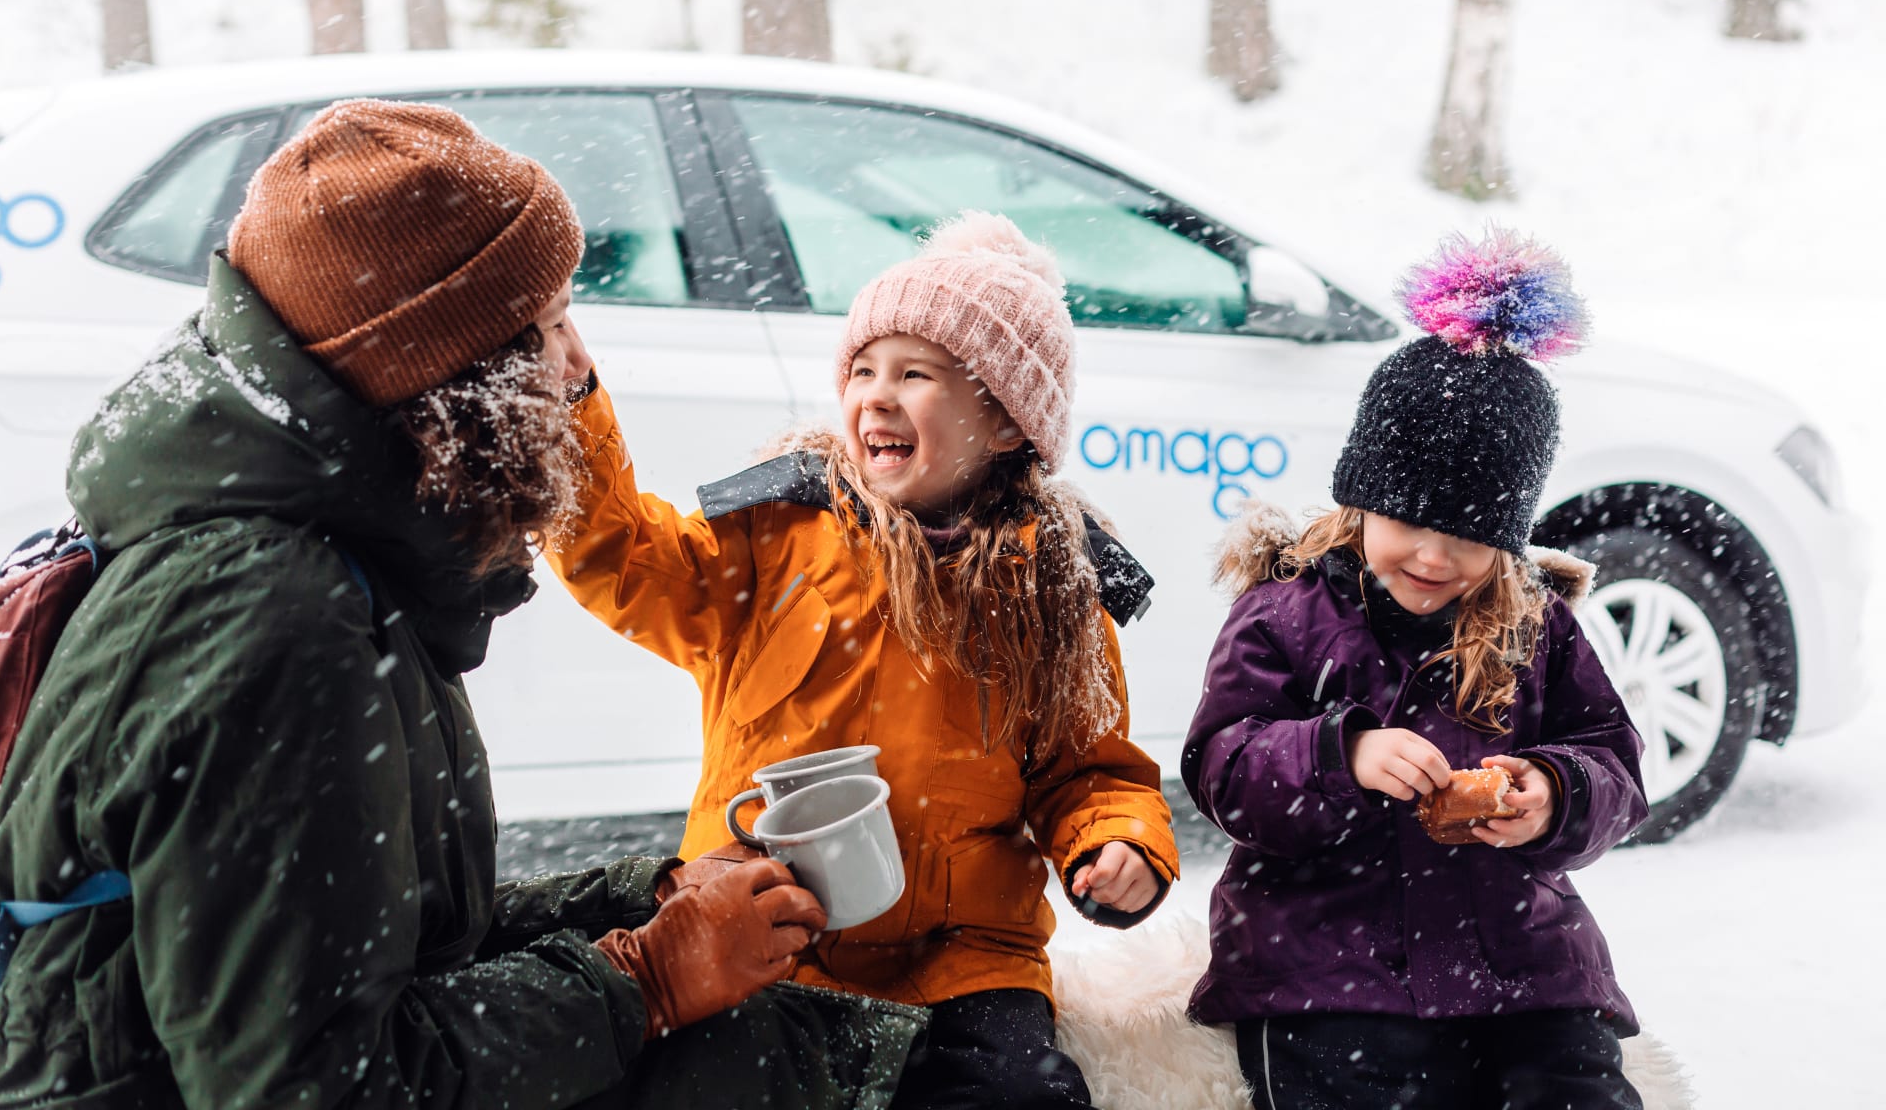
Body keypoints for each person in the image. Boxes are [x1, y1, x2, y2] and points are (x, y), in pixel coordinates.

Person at [0, 99, 925, 1108]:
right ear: (454, 380)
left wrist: (648, 900)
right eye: (548, 328)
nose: (579, 366)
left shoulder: (329, 554)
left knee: (793, 1038)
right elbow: (310, 1087)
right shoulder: (277, 623)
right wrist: (643, 978)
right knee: (784, 1061)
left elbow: (381, 945)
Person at [547, 211, 1181, 1108]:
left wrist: (1119, 843)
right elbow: (618, 555)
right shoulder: (775, 538)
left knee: (1024, 1097)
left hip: (964, 961)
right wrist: (570, 402)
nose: (876, 397)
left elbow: (1089, 770)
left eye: (915, 375)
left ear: (1006, 423)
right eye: (862, 369)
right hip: (764, 932)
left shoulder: (1054, 592)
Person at [1182, 229, 1649, 1110]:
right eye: (1407, 520)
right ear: (1361, 500)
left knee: (1574, 1089)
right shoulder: (1285, 613)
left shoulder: (1535, 625)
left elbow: (1613, 759)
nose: (1434, 556)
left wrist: (1555, 792)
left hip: (1522, 964)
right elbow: (1223, 767)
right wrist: (1339, 756)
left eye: (1469, 534)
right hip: (1326, 963)